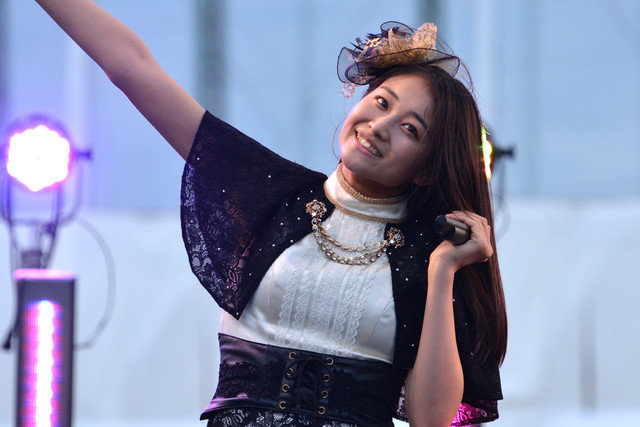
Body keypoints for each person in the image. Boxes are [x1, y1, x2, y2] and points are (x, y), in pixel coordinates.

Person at [35, 2, 506, 425]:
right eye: (381, 103)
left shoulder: (432, 256)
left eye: (410, 129)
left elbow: (431, 420)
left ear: (427, 170)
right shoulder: (269, 197)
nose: (380, 126)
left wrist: (442, 271)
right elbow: (133, 67)